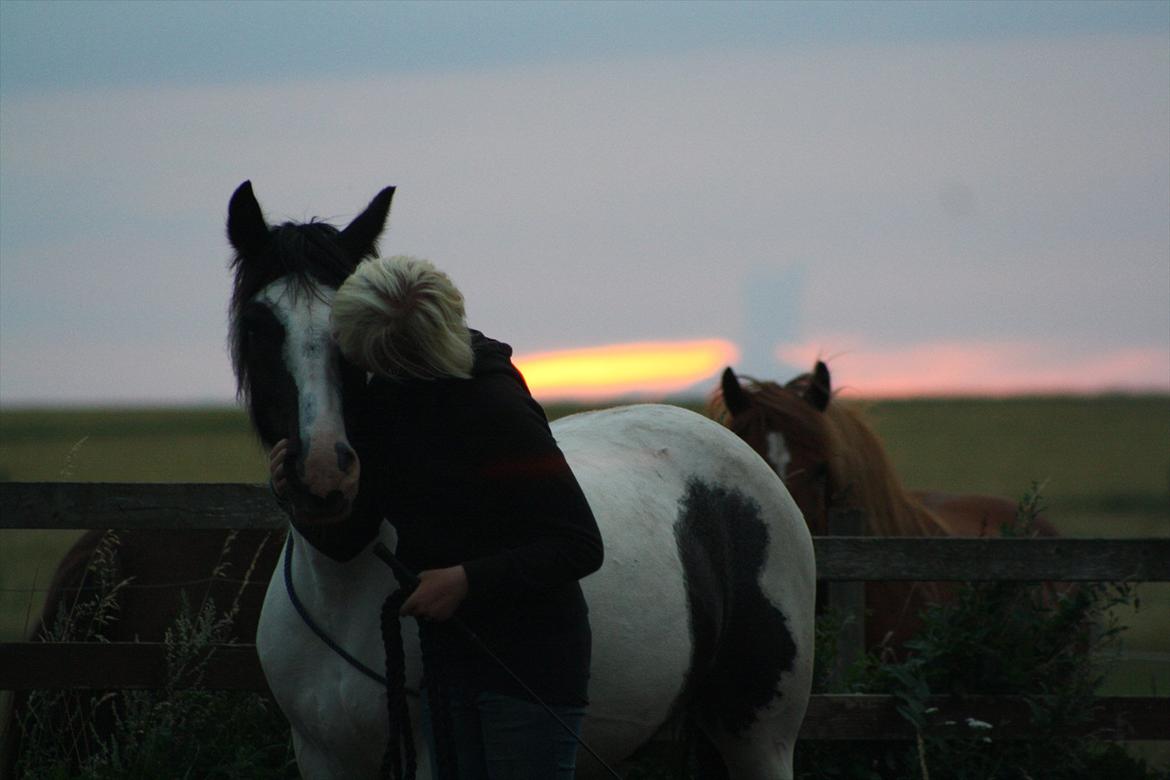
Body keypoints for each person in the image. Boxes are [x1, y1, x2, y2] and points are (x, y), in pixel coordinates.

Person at [270, 255, 604, 779]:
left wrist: (466, 580)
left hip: (528, 670)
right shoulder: (392, 403)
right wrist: (294, 495)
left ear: (390, 355)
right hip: (446, 666)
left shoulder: (498, 410)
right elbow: (348, 539)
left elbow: (579, 543)